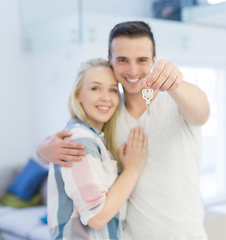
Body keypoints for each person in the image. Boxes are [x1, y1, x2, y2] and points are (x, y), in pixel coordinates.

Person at [38, 21, 210, 239]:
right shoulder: (108, 110)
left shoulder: (176, 101)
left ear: (154, 61)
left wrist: (176, 84)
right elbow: (74, 134)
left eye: (142, 60)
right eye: (122, 60)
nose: (132, 70)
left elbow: (202, 112)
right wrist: (44, 148)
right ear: (110, 61)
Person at [47, 58, 147, 240]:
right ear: (78, 94)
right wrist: (132, 170)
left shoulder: (95, 139)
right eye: (95, 88)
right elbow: (96, 216)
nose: (106, 97)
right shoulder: (80, 139)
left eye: (113, 90)